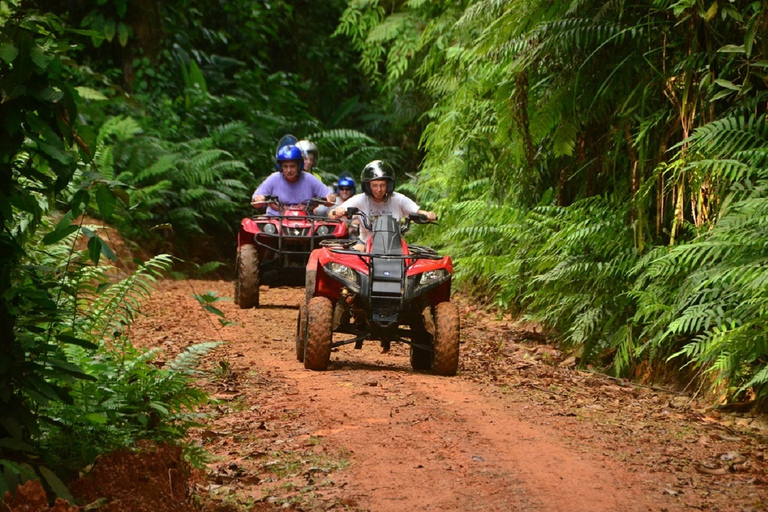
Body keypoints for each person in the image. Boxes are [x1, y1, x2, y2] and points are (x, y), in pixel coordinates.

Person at [328, 160, 437, 248]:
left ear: (388, 185)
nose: (379, 189)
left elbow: (417, 211)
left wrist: (428, 214)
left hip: (395, 246)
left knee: (413, 264)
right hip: (365, 244)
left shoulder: (398, 199)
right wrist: (338, 212)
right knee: (349, 262)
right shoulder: (360, 200)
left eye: (382, 185)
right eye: (374, 185)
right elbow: (332, 214)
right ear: (368, 186)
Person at [251, 144, 333, 215]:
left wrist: (329, 199)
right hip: (275, 221)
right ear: (280, 167)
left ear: (299, 166)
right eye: (285, 166)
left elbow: (330, 198)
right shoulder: (273, 179)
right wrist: (259, 199)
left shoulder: (309, 179)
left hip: (306, 221)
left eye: (292, 166)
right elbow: (256, 203)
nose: (289, 170)